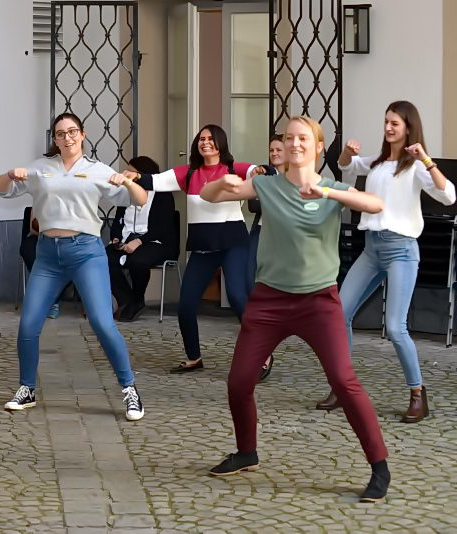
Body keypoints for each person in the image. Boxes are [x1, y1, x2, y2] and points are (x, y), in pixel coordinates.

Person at [201, 116, 391, 503]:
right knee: (239, 382)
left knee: (343, 381)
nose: (295, 144)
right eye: (289, 138)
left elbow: (376, 204)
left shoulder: (334, 188)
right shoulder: (268, 185)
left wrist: (329, 193)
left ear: (318, 147)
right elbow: (209, 195)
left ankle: (379, 466)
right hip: (269, 301)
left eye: (303, 138)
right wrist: (224, 184)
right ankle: (246, 452)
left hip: (318, 302)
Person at [0, 112, 148, 421]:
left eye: (72, 131)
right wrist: (10, 174)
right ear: (55, 138)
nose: (67, 137)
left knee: (102, 323)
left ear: (83, 134)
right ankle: (26, 389)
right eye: (61, 133)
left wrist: (128, 183)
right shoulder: (41, 168)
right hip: (48, 255)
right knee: (28, 324)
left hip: (86, 252)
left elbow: (141, 200)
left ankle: (130, 389)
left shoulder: (96, 170)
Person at [315, 101, 456, 422]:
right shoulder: (378, 162)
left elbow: (449, 196)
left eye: (395, 123)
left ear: (408, 127)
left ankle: (417, 393)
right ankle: (342, 387)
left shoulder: (416, 166)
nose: (389, 127)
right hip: (372, 248)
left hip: (401, 250)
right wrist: (347, 153)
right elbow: (347, 167)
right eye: (386, 122)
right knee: (339, 314)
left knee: (395, 327)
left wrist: (427, 160)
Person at [123, 125, 260, 373]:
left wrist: (261, 170)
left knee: (238, 297)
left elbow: (255, 171)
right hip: (202, 248)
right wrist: (134, 176)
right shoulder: (188, 173)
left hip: (233, 244)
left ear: (220, 142)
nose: (205, 142)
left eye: (210, 139)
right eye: (201, 139)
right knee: (186, 305)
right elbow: (154, 181)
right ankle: (194, 358)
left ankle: (262, 355)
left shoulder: (233, 168)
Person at [107, 156, 177, 321]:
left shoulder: (162, 194)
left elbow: (162, 227)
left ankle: (138, 298)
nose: (127, 174)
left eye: (131, 171)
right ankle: (127, 299)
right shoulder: (126, 193)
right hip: (126, 239)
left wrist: (139, 241)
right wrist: (115, 238)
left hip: (154, 241)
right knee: (102, 258)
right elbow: (118, 221)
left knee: (138, 260)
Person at [246, 134, 287, 380]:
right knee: (251, 288)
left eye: (278, 149)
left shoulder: (297, 177)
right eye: (271, 150)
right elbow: (253, 206)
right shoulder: (264, 174)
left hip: (284, 239)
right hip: (261, 233)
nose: (274, 154)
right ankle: (263, 352)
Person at [20, 210, 65, 319]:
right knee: (29, 252)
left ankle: (53, 300)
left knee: (67, 256)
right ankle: (40, 298)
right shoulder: (37, 203)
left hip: (61, 238)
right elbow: (33, 229)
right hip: (37, 236)